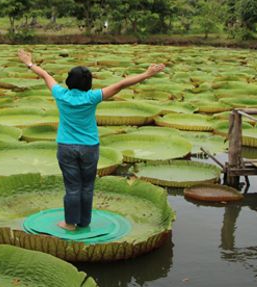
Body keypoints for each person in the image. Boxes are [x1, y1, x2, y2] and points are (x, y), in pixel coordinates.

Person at [17, 49, 165, 231]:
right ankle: (84, 221)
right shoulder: (92, 97)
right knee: (87, 186)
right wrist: (147, 74)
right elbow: (121, 85)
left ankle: (69, 224)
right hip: (89, 147)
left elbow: (45, 75)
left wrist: (29, 63)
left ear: (69, 82)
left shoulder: (60, 95)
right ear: (89, 83)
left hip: (66, 147)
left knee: (72, 187)